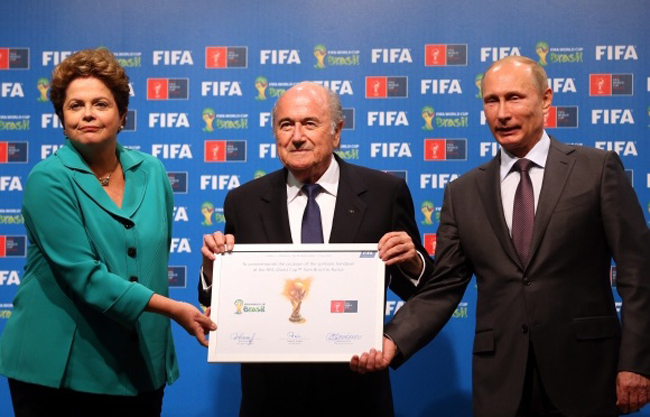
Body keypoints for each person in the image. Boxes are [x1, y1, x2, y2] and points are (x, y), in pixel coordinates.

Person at [351, 56, 650, 416]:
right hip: (502, 383)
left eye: (514, 98)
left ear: (545, 99)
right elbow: (443, 287)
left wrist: (636, 361)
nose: (503, 113)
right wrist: (392, 339)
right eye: (492, 101)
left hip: (586, 373)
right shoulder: (463, 192)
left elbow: (638, 272)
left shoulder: (597, 169)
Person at [0, 48, 216, 417]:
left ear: (122, 116)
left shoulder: (152, 171)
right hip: (59, 370)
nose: (87, 114)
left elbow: (153, 261)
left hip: (140, 364)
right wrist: (172, 310)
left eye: (100, 104)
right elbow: (85, 277)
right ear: (63, 120)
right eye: (75, 106)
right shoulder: (47, 179)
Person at [199, 82, 433, 416]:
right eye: (286, 125)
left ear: (337, 132)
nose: (297, 136)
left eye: (310, 123)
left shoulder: (384, 193)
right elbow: (220, 299)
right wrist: (213, 268)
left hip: (356, 393)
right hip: (270, 399)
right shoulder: (244, 201)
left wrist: (412, 263)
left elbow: (427, 291)